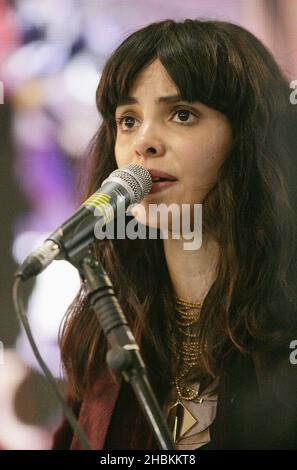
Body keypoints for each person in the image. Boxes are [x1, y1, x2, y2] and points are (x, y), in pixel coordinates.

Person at [52, 19, 297, 450]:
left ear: (246, 138)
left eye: (182, 114)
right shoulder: (105, 332)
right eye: (128, 120)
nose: (143, 142)